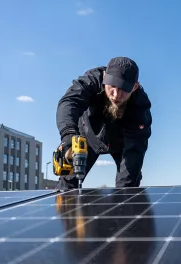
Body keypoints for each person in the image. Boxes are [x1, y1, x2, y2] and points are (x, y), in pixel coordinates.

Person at [55, 57, 152, 190]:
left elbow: (135, 150)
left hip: (123, 142)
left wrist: (124, 202)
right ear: (105, 77)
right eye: (112, 86)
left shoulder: (140, 106)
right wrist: (68, 135)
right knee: (68, 182)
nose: (116, 94)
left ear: (135, 87)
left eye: (124, 89)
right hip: (87, 135)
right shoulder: (92, 80)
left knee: (128, 187)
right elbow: (70, 102)